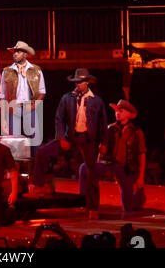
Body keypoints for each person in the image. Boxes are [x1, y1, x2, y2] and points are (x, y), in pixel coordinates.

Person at [28, 68, 107, 201]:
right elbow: (59, 118)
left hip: (88, 138)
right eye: (76, 82)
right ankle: (38, 185)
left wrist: (104, 143)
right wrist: (61, 137)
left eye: (81, 82)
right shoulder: (67, 98)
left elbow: (102, 123)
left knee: (91, 170)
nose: (78, 84)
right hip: (71, 136)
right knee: (42, 152)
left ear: (87, 82)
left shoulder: (96, 100)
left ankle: (92, 205)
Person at [79, 100, 146, 216]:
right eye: (116, 111)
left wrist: (140, 177)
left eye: (121, 111)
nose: (117, 113)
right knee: (85, 168)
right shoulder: (110, 128)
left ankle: (138, 198)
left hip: (125, 168)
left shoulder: (136, 132)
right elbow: (102, 148)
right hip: (110, 164)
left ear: (129, 114)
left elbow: (142, 154)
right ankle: (87, 204)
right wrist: (97, 163)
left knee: (129, 207)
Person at [0, 41, 45, 139]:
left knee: (34, 138)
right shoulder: (7, 71)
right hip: (13, 107)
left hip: (29, 107)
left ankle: (34, 155)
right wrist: (3, 118)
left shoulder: (36, 70)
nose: (15, 54)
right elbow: (2, 96)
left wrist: (33, 106)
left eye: (19, 52)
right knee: (14, 140)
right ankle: (15, 155)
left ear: (25, 54)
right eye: (14, 52)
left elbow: (42, 91)